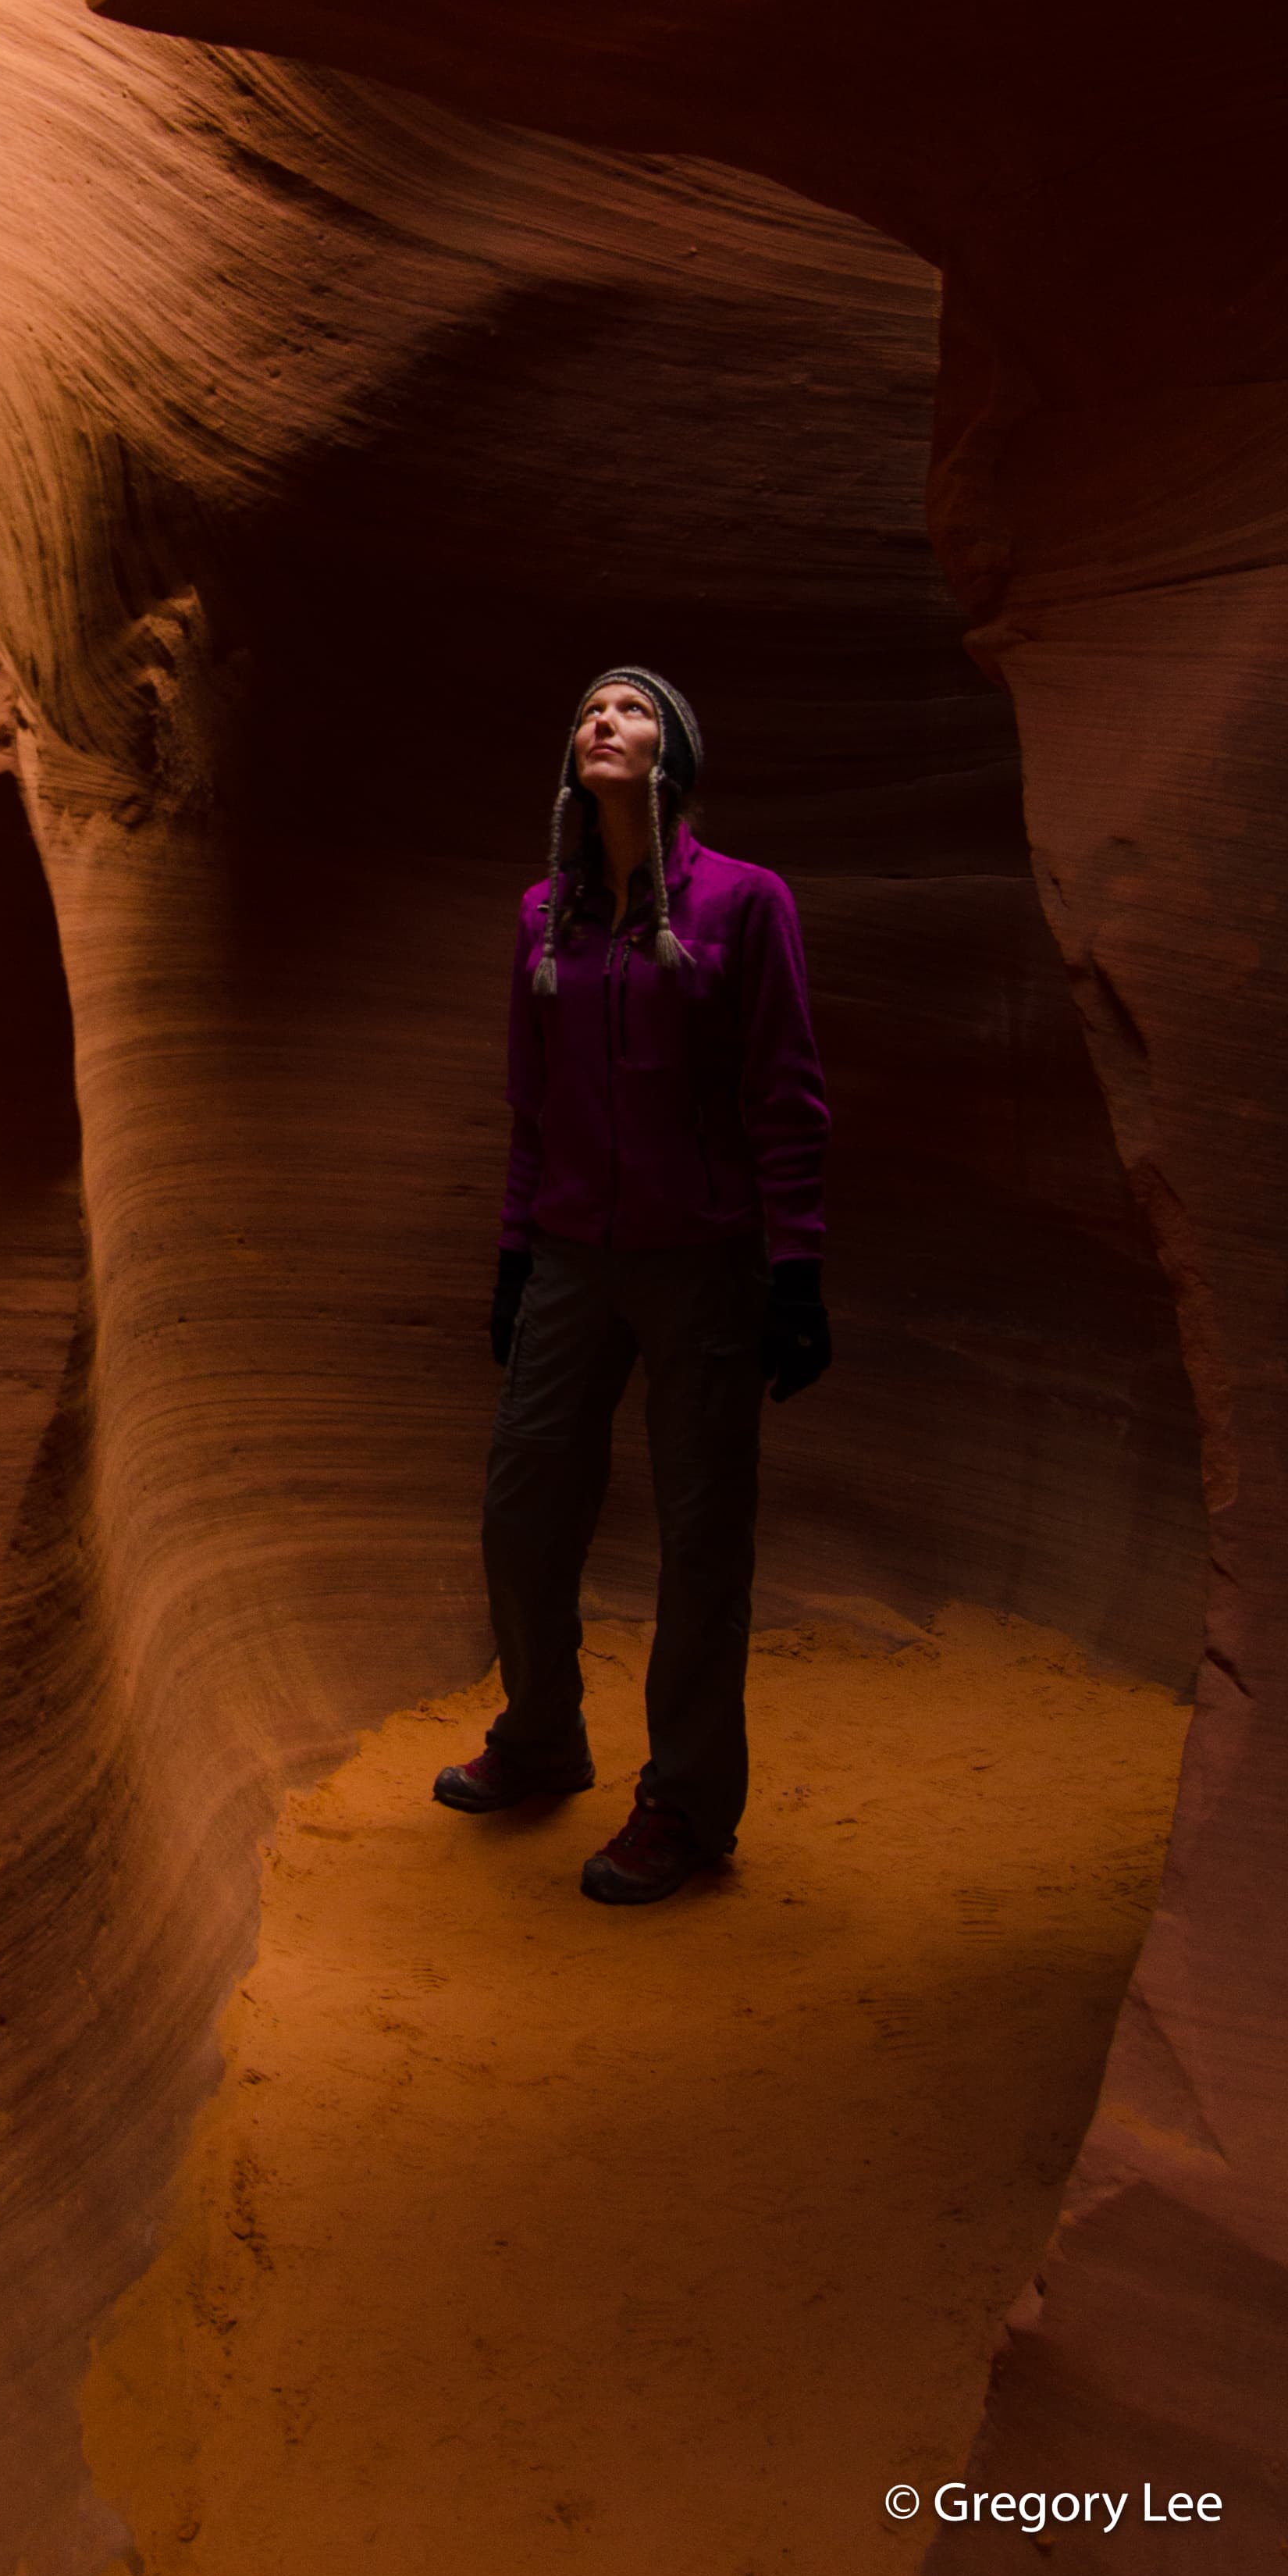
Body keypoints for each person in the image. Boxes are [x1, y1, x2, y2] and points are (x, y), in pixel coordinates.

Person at [432, 666, 831, 1904]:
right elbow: (531, 1104)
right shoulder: (545, 916)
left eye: (631, 708)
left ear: (676, 754)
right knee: (522, 1508)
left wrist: (796, 1267)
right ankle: (544, 1735)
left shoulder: (745, 904)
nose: (601, 721)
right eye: (588, 712)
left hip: (702, 1262)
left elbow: (787, 1095)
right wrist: (513, 1256)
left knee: (703, 1539)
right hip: (568, 1256)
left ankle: (688, 1807)